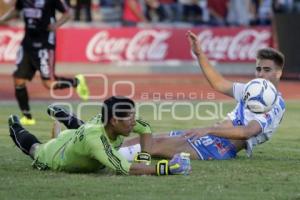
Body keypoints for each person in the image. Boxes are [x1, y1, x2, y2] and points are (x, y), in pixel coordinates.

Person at [47, 32, 286, 161]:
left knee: (152, 146)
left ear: (279, 73)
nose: (261, 74)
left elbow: (247, 132)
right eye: (258, 68)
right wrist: (199, 54)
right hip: (210, 137)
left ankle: (76, 153)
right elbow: (218, 83)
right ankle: (77, 136)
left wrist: (208, 129)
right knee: (137, 140)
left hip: (219, 147)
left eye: (266, 70)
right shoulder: (254, 89)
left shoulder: (273, 103)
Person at [8, 96, 191, 175]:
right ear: (114, 121)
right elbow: (123, 168)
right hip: (55, 155)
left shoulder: (109, 120)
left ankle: (61, 115)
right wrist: (166, 168)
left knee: (82, 127)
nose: (134, 122)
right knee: (35, 148)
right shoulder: (95, 138)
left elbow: (146, 129)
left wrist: (144, 158)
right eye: (129, 118)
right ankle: (15, 125)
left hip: (78, 138)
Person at [0, 0, 90, 125]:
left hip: (45, 44)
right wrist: (2, 19)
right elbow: (16, 11)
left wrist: (56, 25)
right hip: (27, 44)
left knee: (49, 84)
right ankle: (27, 117)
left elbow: (68, 13)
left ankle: (76, 82)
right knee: (18, 79)